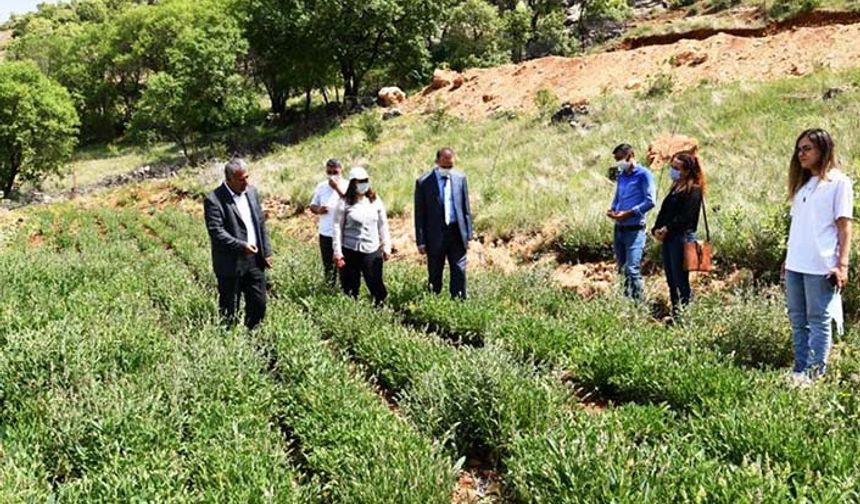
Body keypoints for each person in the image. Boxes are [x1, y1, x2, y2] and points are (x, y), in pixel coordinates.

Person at [785, 128, 853, 385]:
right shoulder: (803, 185)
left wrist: (842, 265)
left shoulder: (838, 182)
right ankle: (799, 371)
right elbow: (798, 226)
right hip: (796, 264)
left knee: (819, 320)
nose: (801, 154)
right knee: (798, 319)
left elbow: (844, 225)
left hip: (820, 265)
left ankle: (815, 374)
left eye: (807, 149)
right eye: (799, 149)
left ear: (823, 150)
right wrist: (787, 260)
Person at [203, 158, 273, 329]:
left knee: (259, 303)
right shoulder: (214, 199)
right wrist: (241, 246)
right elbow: (216, 232)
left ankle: (253, 336)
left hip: (255, 260)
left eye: (247, 177)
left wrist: (267, 251)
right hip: (230, 263)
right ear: (229, 180)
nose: (246, 182)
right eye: (241, 179)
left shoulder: (252, 192)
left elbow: (260, 222)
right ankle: (230, 341)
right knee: (230, 309)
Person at [414, 147, 474, 299]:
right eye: (444, 166)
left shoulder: (460, 179)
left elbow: (465, 208)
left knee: (459, 270)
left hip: (456, 233)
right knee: (435, 272)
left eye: (450, 166)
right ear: (437, 162)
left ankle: (459, 302)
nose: (447, 169)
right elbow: (419, 214)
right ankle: (433, 302)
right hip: (435, 235)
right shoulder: (423, 182)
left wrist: (468, 235)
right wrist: (420, 241)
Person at [651, 151, 705, 318]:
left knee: (681, 280)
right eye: (672, 167)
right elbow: (664, 212)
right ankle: (676, 312)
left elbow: (686, 217)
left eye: (677, 168)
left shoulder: (694, 190)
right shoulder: (675, 188)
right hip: (669, 239)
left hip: (681, 238)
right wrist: (656, 228)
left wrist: (667, 228)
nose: (673, 171)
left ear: (687, 171)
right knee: (671, 279)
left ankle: (684, 315)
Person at [332, 166, 392, 305]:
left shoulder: (375, 200)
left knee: (375, 283)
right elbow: (337, 228)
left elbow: (383, 224)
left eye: (365, 181)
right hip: (350, 249)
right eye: (360, 181)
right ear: (353, 184)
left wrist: (387, 245)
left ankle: (381, 309)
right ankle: (352, 313)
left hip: (371, 248)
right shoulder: (344, 203)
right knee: (350, 287)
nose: (363, 184)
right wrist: (338, 252)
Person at [607, 144, 656, 301]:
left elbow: (650, 201)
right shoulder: (621, 175)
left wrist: (629, 214)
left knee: (632, 268)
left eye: (619, 158)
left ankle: (639, 304)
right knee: (622, 269)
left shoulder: (644, 175)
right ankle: (627, 302)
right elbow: (618, 197)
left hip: (635, 230)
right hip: (619, 228)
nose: (617, 162)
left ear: (629, 156)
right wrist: (613, 210)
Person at [309, 159, 348, 284]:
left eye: (335, 172)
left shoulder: (348, 185)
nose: (332, 175)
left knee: (344, 266)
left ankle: (347, 292)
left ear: (341, 170)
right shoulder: (321, 186)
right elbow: (312, 205)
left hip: (344, 233)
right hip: (325, 233)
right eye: (329, 172)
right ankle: (329, 290)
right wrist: (319, 210)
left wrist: (336, 188)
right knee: (329, 267)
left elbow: (351, 203)